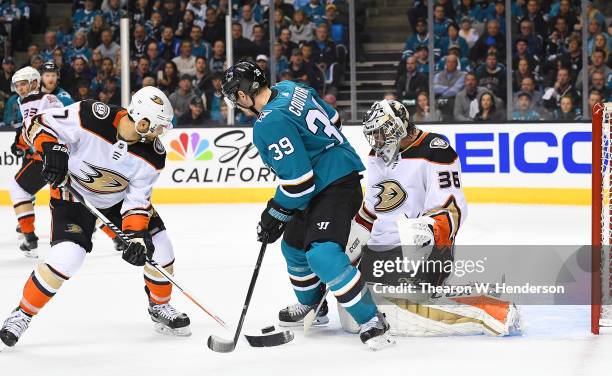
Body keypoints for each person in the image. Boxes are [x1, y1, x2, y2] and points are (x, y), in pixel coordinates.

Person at [0, 87, 191, 349]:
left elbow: (137, 201)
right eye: (159, 127)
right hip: (73, 198)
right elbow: (36, 123)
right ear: (143, 121)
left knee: (161, 248)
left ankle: (159, 306)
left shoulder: (154, 155)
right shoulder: (91, 115)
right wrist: (51, 149)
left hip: (117, 203)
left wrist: (135, 236)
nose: (161, 134)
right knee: (67, 257)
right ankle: (22, 314)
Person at [221, 60, 394, 349]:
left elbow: (300, 181)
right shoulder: (289, 88)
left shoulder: (267, 123)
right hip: (332, 176)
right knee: (293, 246)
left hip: (334, 186)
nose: (236, 105)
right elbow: (334, 118)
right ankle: (314, 305)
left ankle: (372, 319)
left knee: (323, 255)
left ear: (242, 95)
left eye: (233, 98)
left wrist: (274, 212)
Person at [341, 99, 520, 338]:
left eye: (382, 133)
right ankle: (467, 293)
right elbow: (371, 211)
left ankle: (489, 310)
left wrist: (424, 236)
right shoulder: (377, 154)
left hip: (418, 250)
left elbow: (451, 209)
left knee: (390, 313)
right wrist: (345, 258)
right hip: (379, 252)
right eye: (374, 135)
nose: (377, 141)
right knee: (352, 317)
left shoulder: (435, 149)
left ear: (398, 126)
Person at [8, 67, 64, 257]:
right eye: (17, 85)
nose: (21, 89)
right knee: (79, 197)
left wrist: (20, 143)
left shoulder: (30, 100)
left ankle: (29, 236)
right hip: (66, 155)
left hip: (46, 157)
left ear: (33, 83)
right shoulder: (51, 98)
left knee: (18, 188)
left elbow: (31, 126)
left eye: (24, 84)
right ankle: (114, 235)